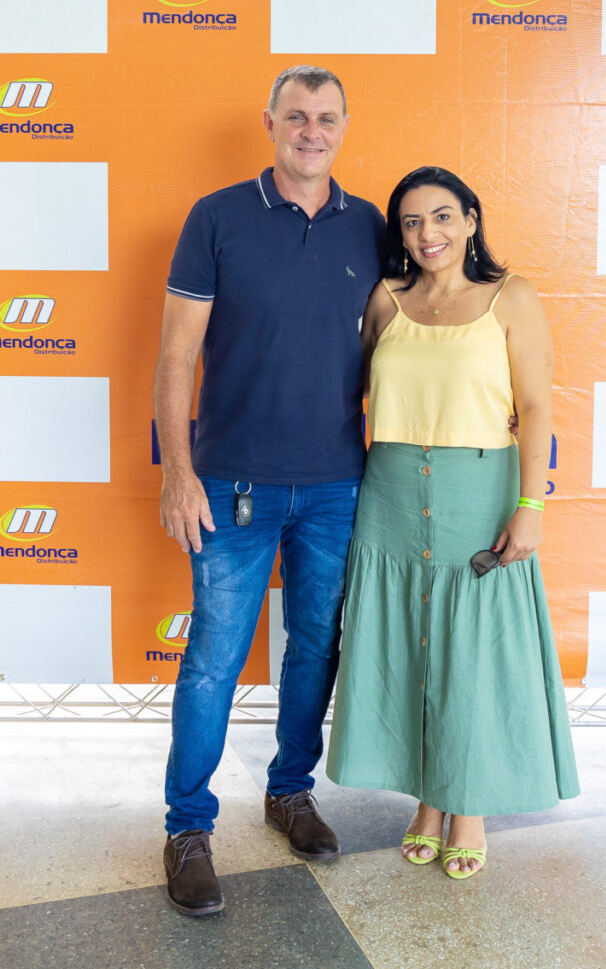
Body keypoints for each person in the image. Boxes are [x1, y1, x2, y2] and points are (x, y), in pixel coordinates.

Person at [154, 65, 385, 916]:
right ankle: (187, 827)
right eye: (296, 116)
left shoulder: (370, 225)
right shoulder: (216, 216)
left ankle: (289, 792)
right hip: (232, 485)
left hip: (337, 485)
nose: (310, 131)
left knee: (315, 646)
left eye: (325, 118)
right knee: (213, 658)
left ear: (343, 126)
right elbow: (176, 354)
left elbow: (397, 343)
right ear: (270, 123)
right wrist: (179, 472)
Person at [327, 166, 579, 880]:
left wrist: (529, 506)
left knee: (470, 654)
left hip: (480, 491)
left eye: (441, 216)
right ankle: (428, 800)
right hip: (390, 492)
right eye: (411, 222)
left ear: (470, 220)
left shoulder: (511, 296)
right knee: (408, 649)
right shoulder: (386, 299)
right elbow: (349, 384)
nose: (427, 233)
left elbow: (535, 406)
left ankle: (465, 805)